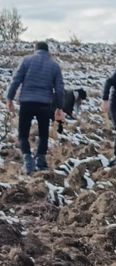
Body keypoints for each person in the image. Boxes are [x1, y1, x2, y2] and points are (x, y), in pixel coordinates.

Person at [6, 41, 65, 174]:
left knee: (23, 134)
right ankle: (40, 160)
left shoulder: (26, 61)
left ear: (35, 49)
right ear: (48, 51)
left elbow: (16, 80)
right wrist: (59, 107)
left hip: (26, 102)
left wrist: (9, 98)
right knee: (44, 134)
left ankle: (28, 160)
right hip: (44, 104)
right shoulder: (54, 66)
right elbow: (60, 89)